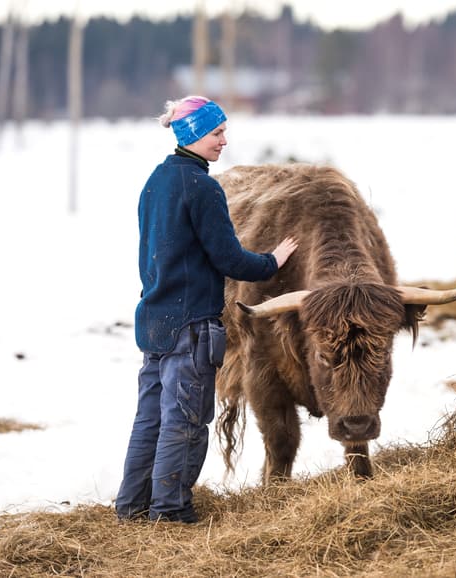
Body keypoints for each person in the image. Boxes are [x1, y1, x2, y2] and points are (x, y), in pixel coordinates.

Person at [115, 96, 297, 523]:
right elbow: (230, 259)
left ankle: (132, 505)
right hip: (191, 325)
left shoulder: (155, 181)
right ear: (193, 134)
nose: (224, 141)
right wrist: (273, 261)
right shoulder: (202, 187)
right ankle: (170, 511)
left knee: (151, 420)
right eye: (216, 133)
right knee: (187, 422)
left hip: (154, 318)